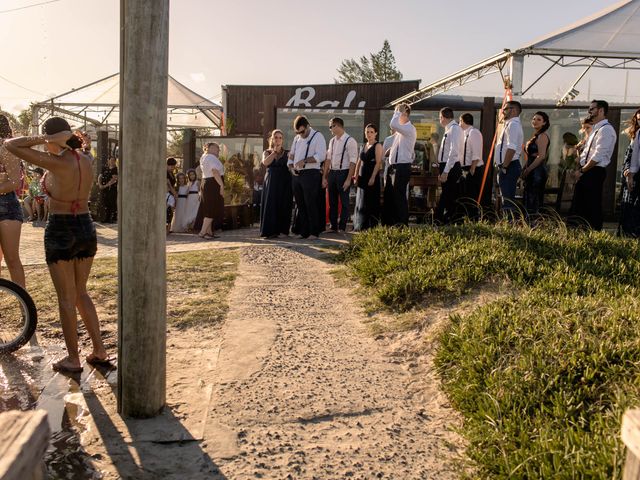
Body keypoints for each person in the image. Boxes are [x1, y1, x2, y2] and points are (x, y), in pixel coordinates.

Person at [5, 117, 109, 372]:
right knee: (81, 292)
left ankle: (73, 358)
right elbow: (83, 151)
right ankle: (99, 349)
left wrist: (46, 139)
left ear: (53, 138)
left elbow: (11, 145)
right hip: (86, 225)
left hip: (62, 227)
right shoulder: (86, 159)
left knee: (66, 297)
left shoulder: (56, 162)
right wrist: (62, 138)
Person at [570, 100, 617, 231]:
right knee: (580, 204)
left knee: (592, 203)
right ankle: (579, 230)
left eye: (592, 109)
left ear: (601, 110)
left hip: (594, 171)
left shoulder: (606, 129)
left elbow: (598, 155)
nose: (589, 112)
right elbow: (589, 153)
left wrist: (583, 170)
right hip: (587, 170)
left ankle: (593, 231)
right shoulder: (596, 129)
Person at [288, 115, 326, 239]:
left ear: (308, 126)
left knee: (311, 203)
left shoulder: (318, 136)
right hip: (297, 175)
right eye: (298, 132)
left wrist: (304, 161)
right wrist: (290, 166)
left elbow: (321, 155)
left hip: (311, 174)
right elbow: (292, 154)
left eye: (302, 131)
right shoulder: (297, 138)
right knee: (300, 204)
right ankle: (304, 231)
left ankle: (314, 232)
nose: (301, 134)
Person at [0, 115, 26, 288]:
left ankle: (24, 308)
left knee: (11, 259)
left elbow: (15, 182)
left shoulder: (5, 148)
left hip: (6, 207)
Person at [383, 103, 416, 226]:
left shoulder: (409, 128)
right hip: (394, 167)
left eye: (397, 113)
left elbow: (393, 124)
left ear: (405, 113)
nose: (395, 116)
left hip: (402, 166)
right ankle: (392, 222)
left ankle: (402, 223)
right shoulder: (400, 131)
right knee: (392, 196)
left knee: (399, 196)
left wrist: (398, 111)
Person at [324, 117, 358, 232]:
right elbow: (328, 158)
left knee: (344, 202)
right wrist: (325, 176)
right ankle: (333, 226)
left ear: (337, 126)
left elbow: (353, 161)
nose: (330, 129)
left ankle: (342, 227)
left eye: (331, 126)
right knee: (332, 201)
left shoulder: (350, 140)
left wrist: (349, 179)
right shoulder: (332, 140)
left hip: (344, 173)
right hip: (332, 173)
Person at [260, 129, 293, 238]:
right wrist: (274, 152)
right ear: (272, 139)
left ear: (282, 140)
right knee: (271, 204)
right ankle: (270, 231)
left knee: (284, 204)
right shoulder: (267, 152)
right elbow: (265, 163)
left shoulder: (288, 152)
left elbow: (292, 165)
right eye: (276, 137)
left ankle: (283, 230)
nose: (278, 139)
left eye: (280, 137)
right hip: (271, 181)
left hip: (285, 181)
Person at [495, 100, 524, 219]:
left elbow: (511, 148)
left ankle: (510, 223)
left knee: (508, 199)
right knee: (506, 197)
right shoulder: (510, 124)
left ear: (514, 110)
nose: (503, 111)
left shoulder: (513, 125)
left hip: (509, 165)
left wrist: (505, 166)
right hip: (508, 165)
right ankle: (509, 222)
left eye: (506, 109)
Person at [435, 107, 464, 224]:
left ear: (443, 117)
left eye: (440, 117)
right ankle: (449, 219)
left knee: (447, 194)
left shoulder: (454, 129)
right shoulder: (449, 129)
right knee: (448, 194)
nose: (439, 120)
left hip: (451, 166)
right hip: (446, 165)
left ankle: (440, 218)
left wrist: (446, 171)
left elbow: (453, 152)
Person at [353, 124, 383, 231]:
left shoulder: (377, 145)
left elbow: (378, 162)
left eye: (371, 132)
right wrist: (355, 176)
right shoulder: (363, 145)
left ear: (375, 133)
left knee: (371, 201)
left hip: (371, 176)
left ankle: (371, 226)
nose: (369, 134)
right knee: (361, 200)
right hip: (362, 176)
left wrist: (373, 177)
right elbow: (358, 162)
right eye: (367, 132)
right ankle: (360, 225)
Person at [521, 111, 550, 218]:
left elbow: (541, 156)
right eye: (534, 119)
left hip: (537, 172)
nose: (535, 121)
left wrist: (528, 170)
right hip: (531, 169)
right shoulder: (535, 136)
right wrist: (525, 168)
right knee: (528, 196)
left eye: (539, 119)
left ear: (544, 123)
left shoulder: (543, 136)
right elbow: (530, 156)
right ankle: (528, 221)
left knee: (534, 198)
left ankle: (534, 222)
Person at [618, 108, 640, 237]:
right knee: (629, 207)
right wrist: (628, 172)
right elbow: (630, 156)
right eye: (638, 119)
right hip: (633, 175)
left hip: (634, 173)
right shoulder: (636, 135)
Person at [459, 113, 484, 219]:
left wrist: (473, 167)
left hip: (474, 168)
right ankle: (466, 215)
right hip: (465, 167)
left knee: (472, 193)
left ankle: (473, 216)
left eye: (460, 121)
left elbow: (476, 152)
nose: (459, 123)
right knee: (465, 194)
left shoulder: (474, 132)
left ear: (463, 121)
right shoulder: (464, 133)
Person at [198, 143, 225, 239]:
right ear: (209, 148)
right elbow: (214, 171)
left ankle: (208, 233)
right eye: (217, 148)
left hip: (206, 182)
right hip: (213, 183)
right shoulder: (211, 157)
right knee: (212, 208)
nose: (218, 150)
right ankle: (202, 232)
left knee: (208, 207)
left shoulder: (204, 157)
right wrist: (221, 185)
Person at [98, 156, 118, 223]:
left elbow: (114, 179)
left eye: (113, 160)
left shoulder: (115, 169)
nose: (112, 161)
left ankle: (113, 218)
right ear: (108, 161)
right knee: (106, 203)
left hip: (112, 189)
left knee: (112, 203)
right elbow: (100, 176)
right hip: (105, 189)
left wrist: (105, 186)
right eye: (111, 160)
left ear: (115, 161)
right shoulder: (105, 168)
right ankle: (107, 218)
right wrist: (100, 184)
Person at [166, 157, 178, 234]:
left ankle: (168, 229)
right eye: (171, 166)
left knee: (170, 211)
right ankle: (166, 230)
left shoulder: (172, 173)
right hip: (166, 194)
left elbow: (173, 185)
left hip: (171, 194)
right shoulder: (165, 172)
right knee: (167, 211)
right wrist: (175, 194)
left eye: (173, 166)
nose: (172, 167)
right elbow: (169, 185)